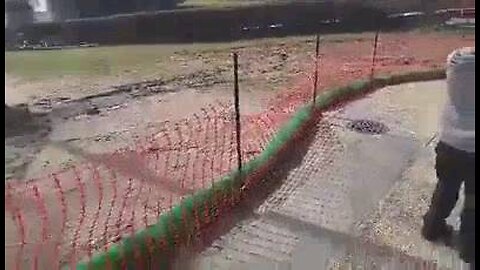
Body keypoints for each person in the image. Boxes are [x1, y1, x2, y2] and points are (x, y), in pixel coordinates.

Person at [421, 47, 475, 264]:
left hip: (449, 143)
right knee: (473, 201)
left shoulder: (456, 61)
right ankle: (469, 246)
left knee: (445, 188)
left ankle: (432, 228)